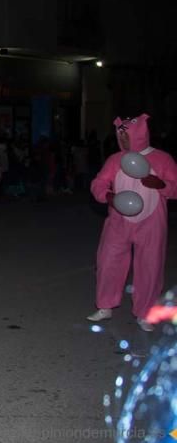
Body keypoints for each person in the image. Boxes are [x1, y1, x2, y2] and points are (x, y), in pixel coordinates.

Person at [88, 114, 177, 332]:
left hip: (151, 221)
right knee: (108, 261)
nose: (124, 140)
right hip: (119, 220)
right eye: (120, 135)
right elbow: (99, 183)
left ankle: (145, 312)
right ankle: (105, 305)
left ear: (139, 134)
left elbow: (174, 188)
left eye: (126, 135)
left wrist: (161, 184)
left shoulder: (163, 159)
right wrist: (107, 196)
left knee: (150, 266)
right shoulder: (115, 160)